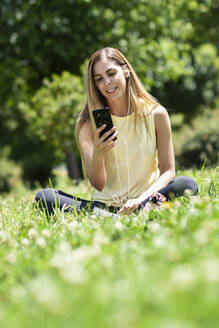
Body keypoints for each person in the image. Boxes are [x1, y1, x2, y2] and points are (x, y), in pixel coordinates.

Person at [35, 47, 198, 217]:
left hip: (146, 199)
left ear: (126, 70)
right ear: (95, 85)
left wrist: (142, 198)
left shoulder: (156, 114)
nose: (107, 82)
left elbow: (168, 171)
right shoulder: (86, 124)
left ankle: (137, 211)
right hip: (104, 205)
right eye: (99, 79)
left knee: (186, 183)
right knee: (45, 197)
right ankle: (118, 216)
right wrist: (98, 154)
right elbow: (98, 184)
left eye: (111, 73)